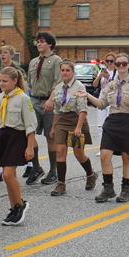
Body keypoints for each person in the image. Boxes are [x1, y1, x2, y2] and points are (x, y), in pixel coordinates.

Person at [75, 53, 129, 203]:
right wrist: (87, 95)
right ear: (114, 65)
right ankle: (108, 189)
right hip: (113, 121)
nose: (121, 66)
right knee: (104, 155)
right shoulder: (111, 84)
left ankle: (126, 191)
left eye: (124, 63)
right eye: (118, 63)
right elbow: (102, 104)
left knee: (127, 158)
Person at [0, 67, 36, 226]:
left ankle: (20, 205)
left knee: (7, 174)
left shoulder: (23, 99)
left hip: (17, 137)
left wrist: (30, 147)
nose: (1, 84)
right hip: (2, 137)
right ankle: (14, 207)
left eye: (5, 81)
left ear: (14, 81)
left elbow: (30, 124)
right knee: (7, 176)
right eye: (0, 81)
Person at [49, 59, 97, 196]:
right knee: (60, 151)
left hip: (77, 120)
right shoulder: (58, 88)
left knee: (78, 154)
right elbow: (56, 111)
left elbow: (83, 109)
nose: (65, 73)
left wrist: (78, 128)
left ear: (73, 72)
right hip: (62, 120)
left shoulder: (79, 87)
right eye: (63, 70)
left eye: (67, 70)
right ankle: (61, 184)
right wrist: (53, 128)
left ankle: (90, 174)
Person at [0, 44, 31, 182]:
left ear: (12, 55)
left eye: (6, 52)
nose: (3, 55)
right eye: (1, 53)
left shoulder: (18, 71)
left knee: (10, 173)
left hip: (17, 124)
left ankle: (32, 164)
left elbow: (24, 88)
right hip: (3, 118)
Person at [26, 31, 63, 185]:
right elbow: (29, 83)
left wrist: (50, 100)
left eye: (42, 41)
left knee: (50, 136)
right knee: (30, 133)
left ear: (50, 44)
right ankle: (36, 167)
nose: (38, 44)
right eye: (37, 41)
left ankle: (53, 171)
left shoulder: (56, 61)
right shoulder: (33, 62)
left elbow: (58, 83)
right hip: (34, 101)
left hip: (49, 102)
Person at [92, 52, 116, 156]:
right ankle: (102, 148)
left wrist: (109, 78)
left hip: (112, 100)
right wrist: (99, 76)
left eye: (112, 61)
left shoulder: (117, 73)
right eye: (108, 61)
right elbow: (94, 85)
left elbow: (117, 86)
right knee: (100, 125)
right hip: (102, 99)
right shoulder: (102, 71)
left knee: (110, 125)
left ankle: (112, 147)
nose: (109, 63)